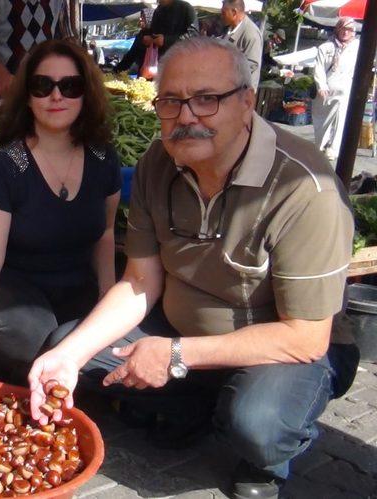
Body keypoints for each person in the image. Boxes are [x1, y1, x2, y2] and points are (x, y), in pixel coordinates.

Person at [28, 36, 359, 499]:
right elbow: (140, 281)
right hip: (182, 330)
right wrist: (68, 357)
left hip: (285, 347)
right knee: (67, 348)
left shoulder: (304, 188)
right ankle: (198, 403)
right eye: (171, 101)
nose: (186, 116)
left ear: (247, 103)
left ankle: (268, 453)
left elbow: (305, 336)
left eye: (207, 100)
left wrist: (177, 355)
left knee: (258, 425)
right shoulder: (157, 165)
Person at [0, 40, 122, 383]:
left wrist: (107, 302)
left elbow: (107, 233)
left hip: (75, 286)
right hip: (16, 292)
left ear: (86, 94)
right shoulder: (6, 167)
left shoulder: (103, 159)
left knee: (83, 341)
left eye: (70, 86)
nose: (57, 96)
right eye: (43, 86)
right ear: (27, 95)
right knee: (31, 339)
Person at [0, 0, 75, 97]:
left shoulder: (59, 2)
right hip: (4, 92)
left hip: (44, 89)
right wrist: (2, 74)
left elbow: (68, 40)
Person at [312, 17, 360, 163]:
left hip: (345, 90)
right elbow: (319, 67)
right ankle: (320, 146)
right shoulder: (326, 47)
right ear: (337, 29)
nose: (346, 32)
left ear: (353, 32)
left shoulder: (358, 47)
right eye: (343, 28)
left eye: (349, 29)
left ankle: (333, 149)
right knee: (321, 123)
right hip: (326, 90)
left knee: (341, 119)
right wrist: (321, 86)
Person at [221, 0, 263, 90]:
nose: (221, 16)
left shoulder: (251, 33)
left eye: (223, 12)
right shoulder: (229, 29)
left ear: (234, 12)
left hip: (241, 93)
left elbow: (252, 64)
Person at [114, 9, 154, 74]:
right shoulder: (140, 35)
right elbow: (131, 55)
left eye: (143, 17)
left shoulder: (156, 35)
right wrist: (117, 69)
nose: (140, 19)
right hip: (142, 72)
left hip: (154, 72)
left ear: (149, 19)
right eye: (141, 17)